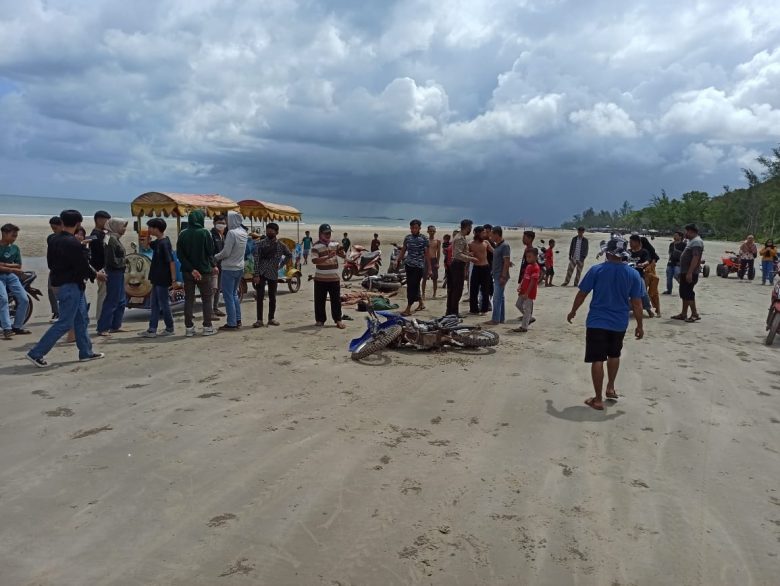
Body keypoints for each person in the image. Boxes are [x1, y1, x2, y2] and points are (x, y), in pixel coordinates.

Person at [566, 236, 645, 410]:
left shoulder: (597, 270)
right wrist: (640, 325)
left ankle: (597, 399)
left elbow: (582, 293)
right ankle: (610, 387)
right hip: (619, 322)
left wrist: (573, 311)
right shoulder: (633, 274)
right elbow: (637, 303)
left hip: (597, 321)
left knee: (597, 359)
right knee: (614, 355)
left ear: (607, 253)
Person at [26, 210, 106, 368]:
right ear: (78, 224)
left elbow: (51, 263)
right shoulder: (72, 243)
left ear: (62, 222)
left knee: (81, 319)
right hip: (69, 285)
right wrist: (96, 274)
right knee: (65, 322)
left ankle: (86, 352)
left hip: (65, 283)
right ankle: (36, 353)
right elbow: (82, 265)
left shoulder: (53, 240)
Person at [177, 209, 217, 337]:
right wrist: (213, 265)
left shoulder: (182, 234)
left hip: (187, 272)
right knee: (206, 299)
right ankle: (207, 326)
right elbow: (210, 251)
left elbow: (180, 255)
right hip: (204, 272)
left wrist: (192, 269)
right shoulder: (205, 233)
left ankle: (189, 328)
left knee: (189, 299)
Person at [139, 218, 177, 338]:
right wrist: (147, 236)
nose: (149, 229)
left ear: (156, 228)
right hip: (156, 277)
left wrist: (173, 279)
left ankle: (169, 327)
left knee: (163, 303)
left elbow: (171, 262)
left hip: (162, 278)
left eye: (150, 228)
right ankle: (152, 329)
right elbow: (145, 246)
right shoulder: (158, 242)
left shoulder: (164, 243)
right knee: (154, 304)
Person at [213, 211, 248, 331]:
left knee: (228, 296)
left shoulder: (232, 233)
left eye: (227, 219)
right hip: (239, 267)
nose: (226, 222)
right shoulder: (243, 232)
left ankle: (231, 322)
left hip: (229, 268)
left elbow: (226, 252)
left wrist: (215, 257)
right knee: (234, 295)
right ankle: (238, 320)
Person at [252, 222, 291, 327]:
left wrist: (281, 265)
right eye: (268, 230)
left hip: (273, 273)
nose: (269, 232)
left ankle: (271, 318)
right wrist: (256, 274)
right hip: (261, 272)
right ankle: (259, 320)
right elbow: (256, 260)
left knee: (272, 297)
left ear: (276, 232)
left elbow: (289, 255)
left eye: (272, 230)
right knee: (259, 297)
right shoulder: (260, 244)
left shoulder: (281, 245)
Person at [96, 218, 128, 336]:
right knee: (112, 300)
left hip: (119, 272)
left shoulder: (115, 238)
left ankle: (116, 325)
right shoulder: (110, 239)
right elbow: (111, 260)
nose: (124, 229)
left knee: (121, 300)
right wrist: (125, 261)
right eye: (123, 226)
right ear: (115, 226)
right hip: (114, 272)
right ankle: (103, 327)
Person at [311, 224, 346, 328]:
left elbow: (343, 255)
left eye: (329, 233)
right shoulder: (316, 246)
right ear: (320, 234)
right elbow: (314, 260)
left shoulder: (335, 244)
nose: (328, 235)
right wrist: (327, 256)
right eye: (326, 233)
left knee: (336, 300)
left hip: (334, 278)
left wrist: (341, 252)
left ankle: (338, 320)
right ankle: (320, 320)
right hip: (320, 278)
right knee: (319, 300)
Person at [0, 223, 30, 340]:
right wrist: (11, 268)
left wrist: (4, 265)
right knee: (3, 299)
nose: (15, 238)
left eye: (16, 236)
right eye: (13, 235)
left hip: (11, 276)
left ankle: (17, 326)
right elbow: (15, 267)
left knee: (24, 299)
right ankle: (7, 329)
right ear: (4, 233)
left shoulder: (15, 248)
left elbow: (19, 265)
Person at [397, 220, 430, 316]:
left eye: (416, 228)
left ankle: (408, 309)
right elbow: (403, 250)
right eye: (412, 228)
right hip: (409, 265)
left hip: (418, 267)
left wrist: (430, 268)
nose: (414, 230)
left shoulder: (424, 238)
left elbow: (427, 254)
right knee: (414, 286)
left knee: (412, 287)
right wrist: (398, 260)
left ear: (420, 228)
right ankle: (421, 304)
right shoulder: (408, 238)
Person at [672, 223, 703, 323]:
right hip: (685, 271)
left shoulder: (697, 242)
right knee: (684, 293)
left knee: (688, 293)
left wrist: (690, 272)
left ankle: (694, 314)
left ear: (691, 231)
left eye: (686, 231)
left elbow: (695, 257)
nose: (685, 233)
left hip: (690, 272)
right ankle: (683, 313)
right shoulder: (692, 241)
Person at [446, 220, 476, 316]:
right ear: (467, 227)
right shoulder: (459, 238)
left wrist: (468, 254)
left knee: (453, 289)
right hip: (458, 265)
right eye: (470, 227)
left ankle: (450, 311)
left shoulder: (461, 237)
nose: (470, 229)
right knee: (457, 290)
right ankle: (453, 312)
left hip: (457, 264)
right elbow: (458, 255)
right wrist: (471, 258)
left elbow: (460, 252)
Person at [486, 226, 510, 325]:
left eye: (492, 235)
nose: (490, 237)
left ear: (496, 234)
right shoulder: (498, 246)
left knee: (496, 298)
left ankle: (495, 319)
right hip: (496, 274)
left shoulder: (505, 246)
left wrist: (503, 276)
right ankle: (501, 318)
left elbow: (506, 262)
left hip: (500, 276)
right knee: (500, 298)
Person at [89, 210, 111, 320]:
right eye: (106, 221)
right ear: (99, 220)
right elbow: (99, 253)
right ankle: (101, 319)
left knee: (106, 295)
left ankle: (105, 319)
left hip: (103, 268)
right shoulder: (95, 235)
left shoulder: (102, 234)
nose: (108, 224)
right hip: (101, 269)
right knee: (103, 295)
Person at [628, 235, 655, 318]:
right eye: (629, 242)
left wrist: (642, 264)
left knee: (643, 292)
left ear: (637, 242)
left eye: (631, 242)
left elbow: (647, 261)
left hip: (638, 276)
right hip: (627, 276)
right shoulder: (628, 252)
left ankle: (648, 309)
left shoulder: (644, 252)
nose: (630, 244)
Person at [514, 247, 540, 332]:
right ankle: (529, 317)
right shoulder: (528, 266)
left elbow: (532, 282)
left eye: (530, 257)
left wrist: (527, 293)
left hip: (529, 292)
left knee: (527, 309)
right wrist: (520, 286)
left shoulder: (536, 268)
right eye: (527, 257)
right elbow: (524, 277)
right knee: (518, 304)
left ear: (535, 257)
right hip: (523, 290)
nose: (528, 259)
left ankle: (524, 327)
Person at [469, 226, 493, 315]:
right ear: (477, 233)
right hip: (476, 268)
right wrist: (470, 255)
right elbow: (466, 255)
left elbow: (494, 251)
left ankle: (484, 310)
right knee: (473, 289)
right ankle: (473, 309)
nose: (485, 234)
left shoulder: (486, 242)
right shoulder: (470, 244)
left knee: (485, 289)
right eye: (483, 232)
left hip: (485, 268)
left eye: (485, 232)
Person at [46, 216, 64, 321]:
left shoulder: (67, 238)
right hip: (54, 268)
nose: (54, 230)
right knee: (51, 290)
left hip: (65, 269)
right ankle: (56, 312)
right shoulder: (51, 238)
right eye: (52, 228)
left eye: (55, 228)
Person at [210, 215, 227, 317]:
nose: (221, 225)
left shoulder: (223, 236)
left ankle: (215, 308)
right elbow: (209, 253)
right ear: (214, 223)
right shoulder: (211, 235)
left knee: (218, 288)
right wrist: (213, 265)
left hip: (221, 266)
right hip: (214, 266)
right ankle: (210, 311)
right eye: (219, 223)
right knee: (213, 289)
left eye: (223, 223)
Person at [421, 225, 441, 300]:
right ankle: (423, 294)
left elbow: (438, 253)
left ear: (435, 231)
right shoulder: (425, 240)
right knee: (424, 278)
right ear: (428, 231)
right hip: (426, 260)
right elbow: (423, 252)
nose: (432, 232)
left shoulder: (437, 241)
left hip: (434, 260)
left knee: (434, 278)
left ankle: (434, 294)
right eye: (430, 231)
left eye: (433, 231)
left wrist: (437, 262)